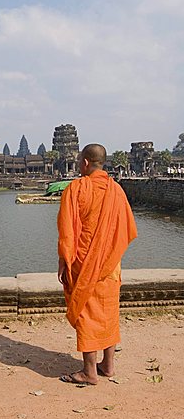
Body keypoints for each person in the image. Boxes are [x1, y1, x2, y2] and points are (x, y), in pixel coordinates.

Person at [57, 144, 137, 386]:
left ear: (84, 163)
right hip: (111, 265)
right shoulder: (117, 191)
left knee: (87, 313)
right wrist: (110, 254)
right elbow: (127, 229)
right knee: (109, 312)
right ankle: (108, 364)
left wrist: (64, 260)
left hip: (84, 263)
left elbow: (67, 230)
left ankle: (89, 371)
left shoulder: (76, 188)